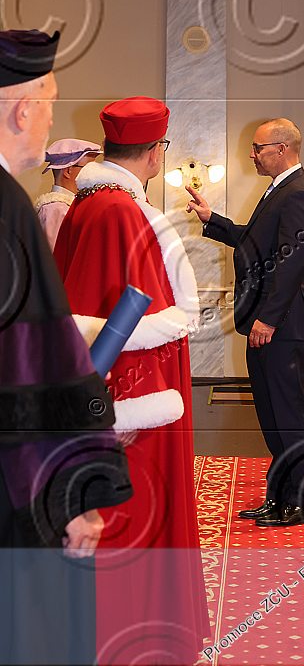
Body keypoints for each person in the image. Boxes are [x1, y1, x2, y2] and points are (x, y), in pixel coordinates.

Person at [54, 96, 209, 663]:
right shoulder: (121, 211)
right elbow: (129, 321)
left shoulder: (88, 203)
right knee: (137, 513)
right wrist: (127, 408)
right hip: (133, 401)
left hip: (111, 391)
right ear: (155, 151)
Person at [0, 29, 132, 665]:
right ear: (23, 110)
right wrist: (73, 490)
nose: (51, 117)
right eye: (50, 102)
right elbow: (27, 366)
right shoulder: (8, 209)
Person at [186, 117, 304, 528]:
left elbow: (291, 263)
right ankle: (279, 497)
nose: (252, 154)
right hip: (268, 323)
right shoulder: (280, 189)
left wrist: (269, 318)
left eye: (258, 148)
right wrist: (212, 218)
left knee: (289, 416)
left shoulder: (299, 194)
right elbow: (256, 241)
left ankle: (303, 503)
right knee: (271, 415)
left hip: (281, 325)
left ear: (282, 149)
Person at [35, 138, 102, 249]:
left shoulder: (69, 207)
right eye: (88, 168)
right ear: (68, 171)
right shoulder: (56, 209)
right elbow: (55, 255)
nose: (94, 173)